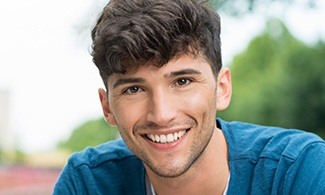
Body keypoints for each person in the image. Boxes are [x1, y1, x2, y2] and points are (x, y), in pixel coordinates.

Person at [53, 0, 325, 194]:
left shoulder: (298, 171)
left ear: (222, 89)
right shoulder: (87, 183)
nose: (161, 114)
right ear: (107, 107)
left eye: (182, 81)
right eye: (133, 89)